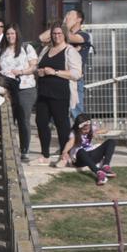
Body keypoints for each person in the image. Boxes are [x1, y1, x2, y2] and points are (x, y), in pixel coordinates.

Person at [33, 24, 78, 163]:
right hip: (43, 93)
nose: (56, 36)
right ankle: (45, 154)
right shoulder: (46, 49)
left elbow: (76, 74)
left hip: (60, 93)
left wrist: (55, 72)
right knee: (41, 122)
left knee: (61, 124)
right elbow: (37, 66)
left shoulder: (70, 51)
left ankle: (65, 155)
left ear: (64, 34)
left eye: (59, 33)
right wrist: (39, 72)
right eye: (54, 33)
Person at [0, 25, 39, 164]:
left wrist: (20, 72)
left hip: (24, 87)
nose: (10, 36)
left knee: (23, 118)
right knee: (8, 119)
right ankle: (8, 149)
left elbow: (33, 66)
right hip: (7, 89)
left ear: (17, 34)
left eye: (12, 33)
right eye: (8, 34)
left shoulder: (26, 48)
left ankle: (24, 150)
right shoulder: (0, 51)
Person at [61, 113, 116, 185]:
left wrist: (96, 132)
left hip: (91, 154)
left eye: (88, 129)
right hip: (80, 159)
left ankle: (106, 166)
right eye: (84, 130)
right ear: (78, 128)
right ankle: (99, 172)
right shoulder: (74, 133)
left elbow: (106, 130)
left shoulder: (91, 128)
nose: (86, 131)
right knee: (80, 150)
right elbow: (70, 142)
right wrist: (64, 152)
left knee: (111, 141)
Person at [63, 10, 91, 117]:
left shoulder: (84, 35)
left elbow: (70, 37)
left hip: (74, 79)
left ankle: (81, 132)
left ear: (78, 19)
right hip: (61, 76)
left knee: (76, 111)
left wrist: (65, 26)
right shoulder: (62, 33)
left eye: (70, 15)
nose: (67, 17)